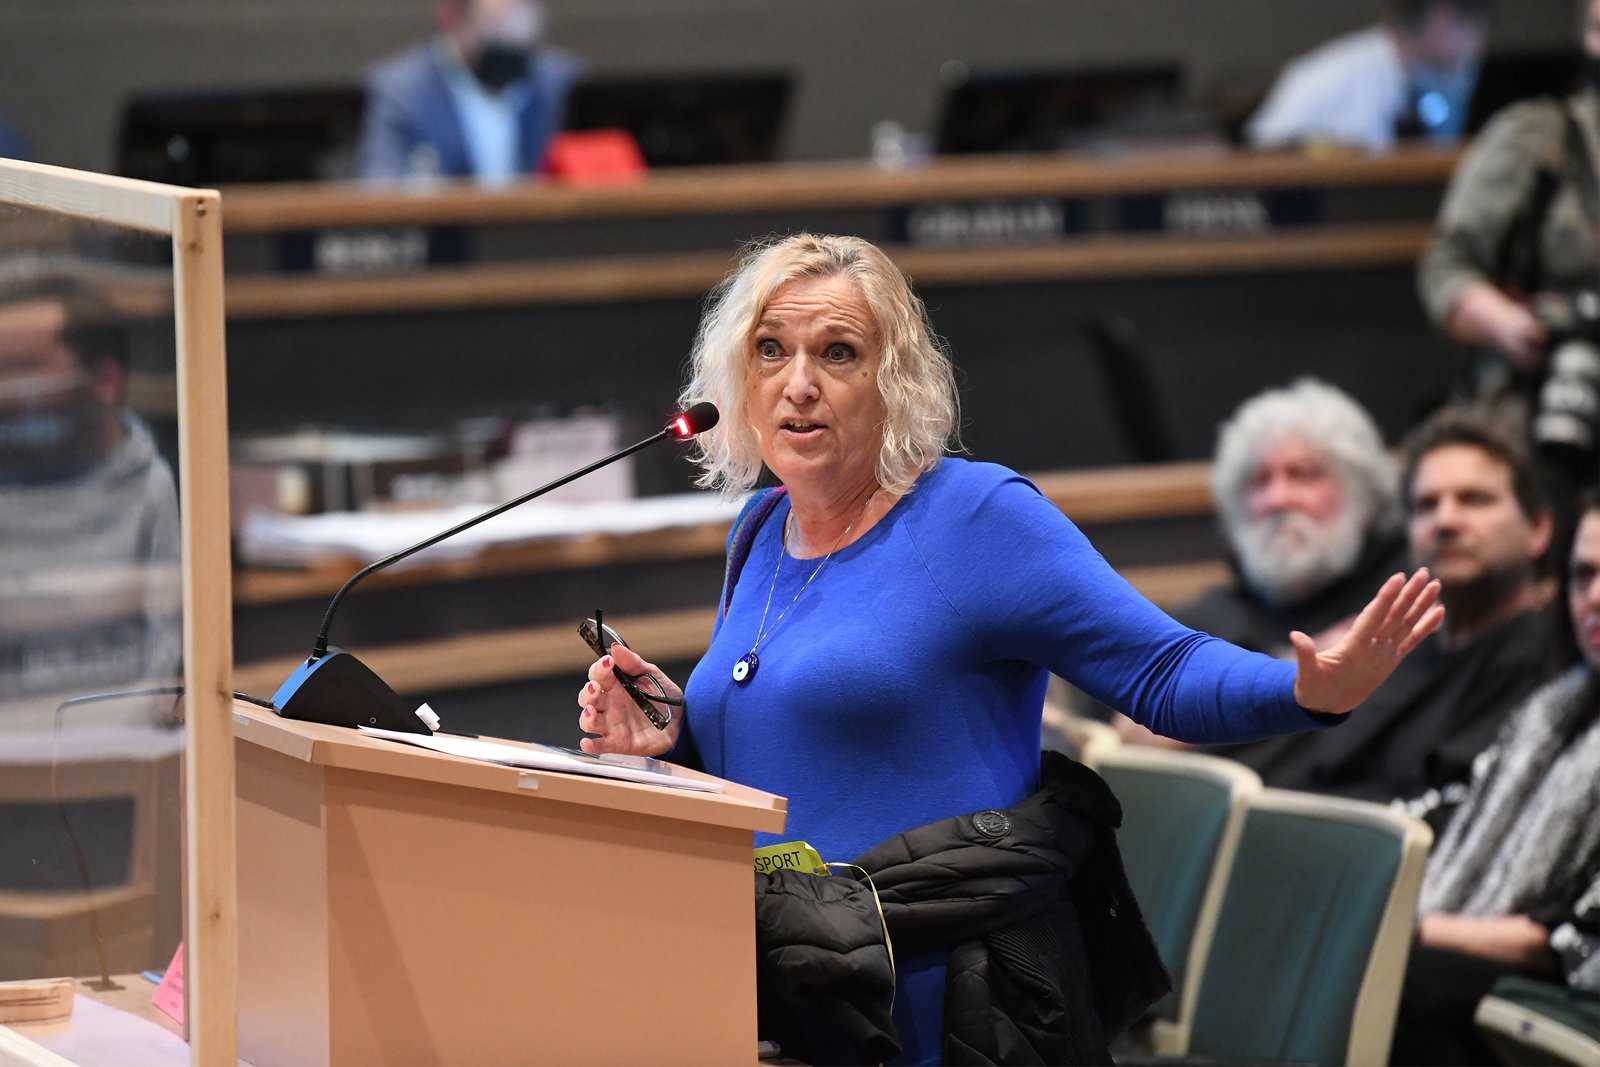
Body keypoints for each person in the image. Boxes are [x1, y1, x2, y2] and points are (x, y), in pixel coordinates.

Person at [574, 233, 1443, 1064]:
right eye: (771, 351)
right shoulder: (759, 530)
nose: (798, 384)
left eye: (838, 353)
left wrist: (1306, 689)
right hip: (783, 994)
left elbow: (1161, 667)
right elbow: (779, 758)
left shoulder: (976, 517)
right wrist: (673, 739)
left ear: (894, 379)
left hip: (942, 1010)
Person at [1204, 408, 1568, 821]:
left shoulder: (1552, 660)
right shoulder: (1391, 652)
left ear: (1539, 527)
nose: (1445, 520)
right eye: (1426, 505)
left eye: (1474, 499)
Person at [1389, 490, 1600, 1065]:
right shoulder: (1550, 711)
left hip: (1574, 997)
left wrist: (1411, 927)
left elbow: (1570, 945)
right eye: (1583, 575)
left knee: (1390, 977)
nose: (1594, 597)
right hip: (1498, 959)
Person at [1416, 0, 1600, 508]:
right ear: (1592, 35)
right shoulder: (1537, 138)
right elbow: (1446, 265)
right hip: (1550, 397)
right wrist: (1508, 325)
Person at [0, 290, 182, 730]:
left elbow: (167, 665)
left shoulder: (154, 488)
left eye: (23, 367)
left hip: (118, 750)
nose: (5, 392)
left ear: (104, 380)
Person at [1178, 378, 1408, 658]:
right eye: (1261, 480)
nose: (1278, 499)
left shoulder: (1409, 603)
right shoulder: (1199, 633)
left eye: (1302, 475)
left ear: (1362, 494)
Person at [356, 0, 581, 183]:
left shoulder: (555, 81)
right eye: (495, 27)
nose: (508, 46)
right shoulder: (402, 91)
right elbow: (381, 188)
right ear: (452, 19)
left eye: (518, 29)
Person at [1246, 0, 1489, 154]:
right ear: (1439, 16)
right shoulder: (1332, 76)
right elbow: (1263, 150)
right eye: (1468, 23)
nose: (1478, 41)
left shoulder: (1441, 77)